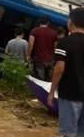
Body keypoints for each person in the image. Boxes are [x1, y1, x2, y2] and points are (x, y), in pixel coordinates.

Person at [48, 7, 84, 137]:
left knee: (68, 133)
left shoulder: (64, 42)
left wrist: (52, 92)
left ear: (71, 22)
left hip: (70, 94)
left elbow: (59, 69)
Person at [27, 14, 58, 82]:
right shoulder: (54, 33)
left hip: (39, 60)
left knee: (39, 81)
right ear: (48, 22)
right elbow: (55, 47)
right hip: (50, 61)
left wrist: (28, 55)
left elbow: (30, 44)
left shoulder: (34, 31)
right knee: (48, 82)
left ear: (39, 21)